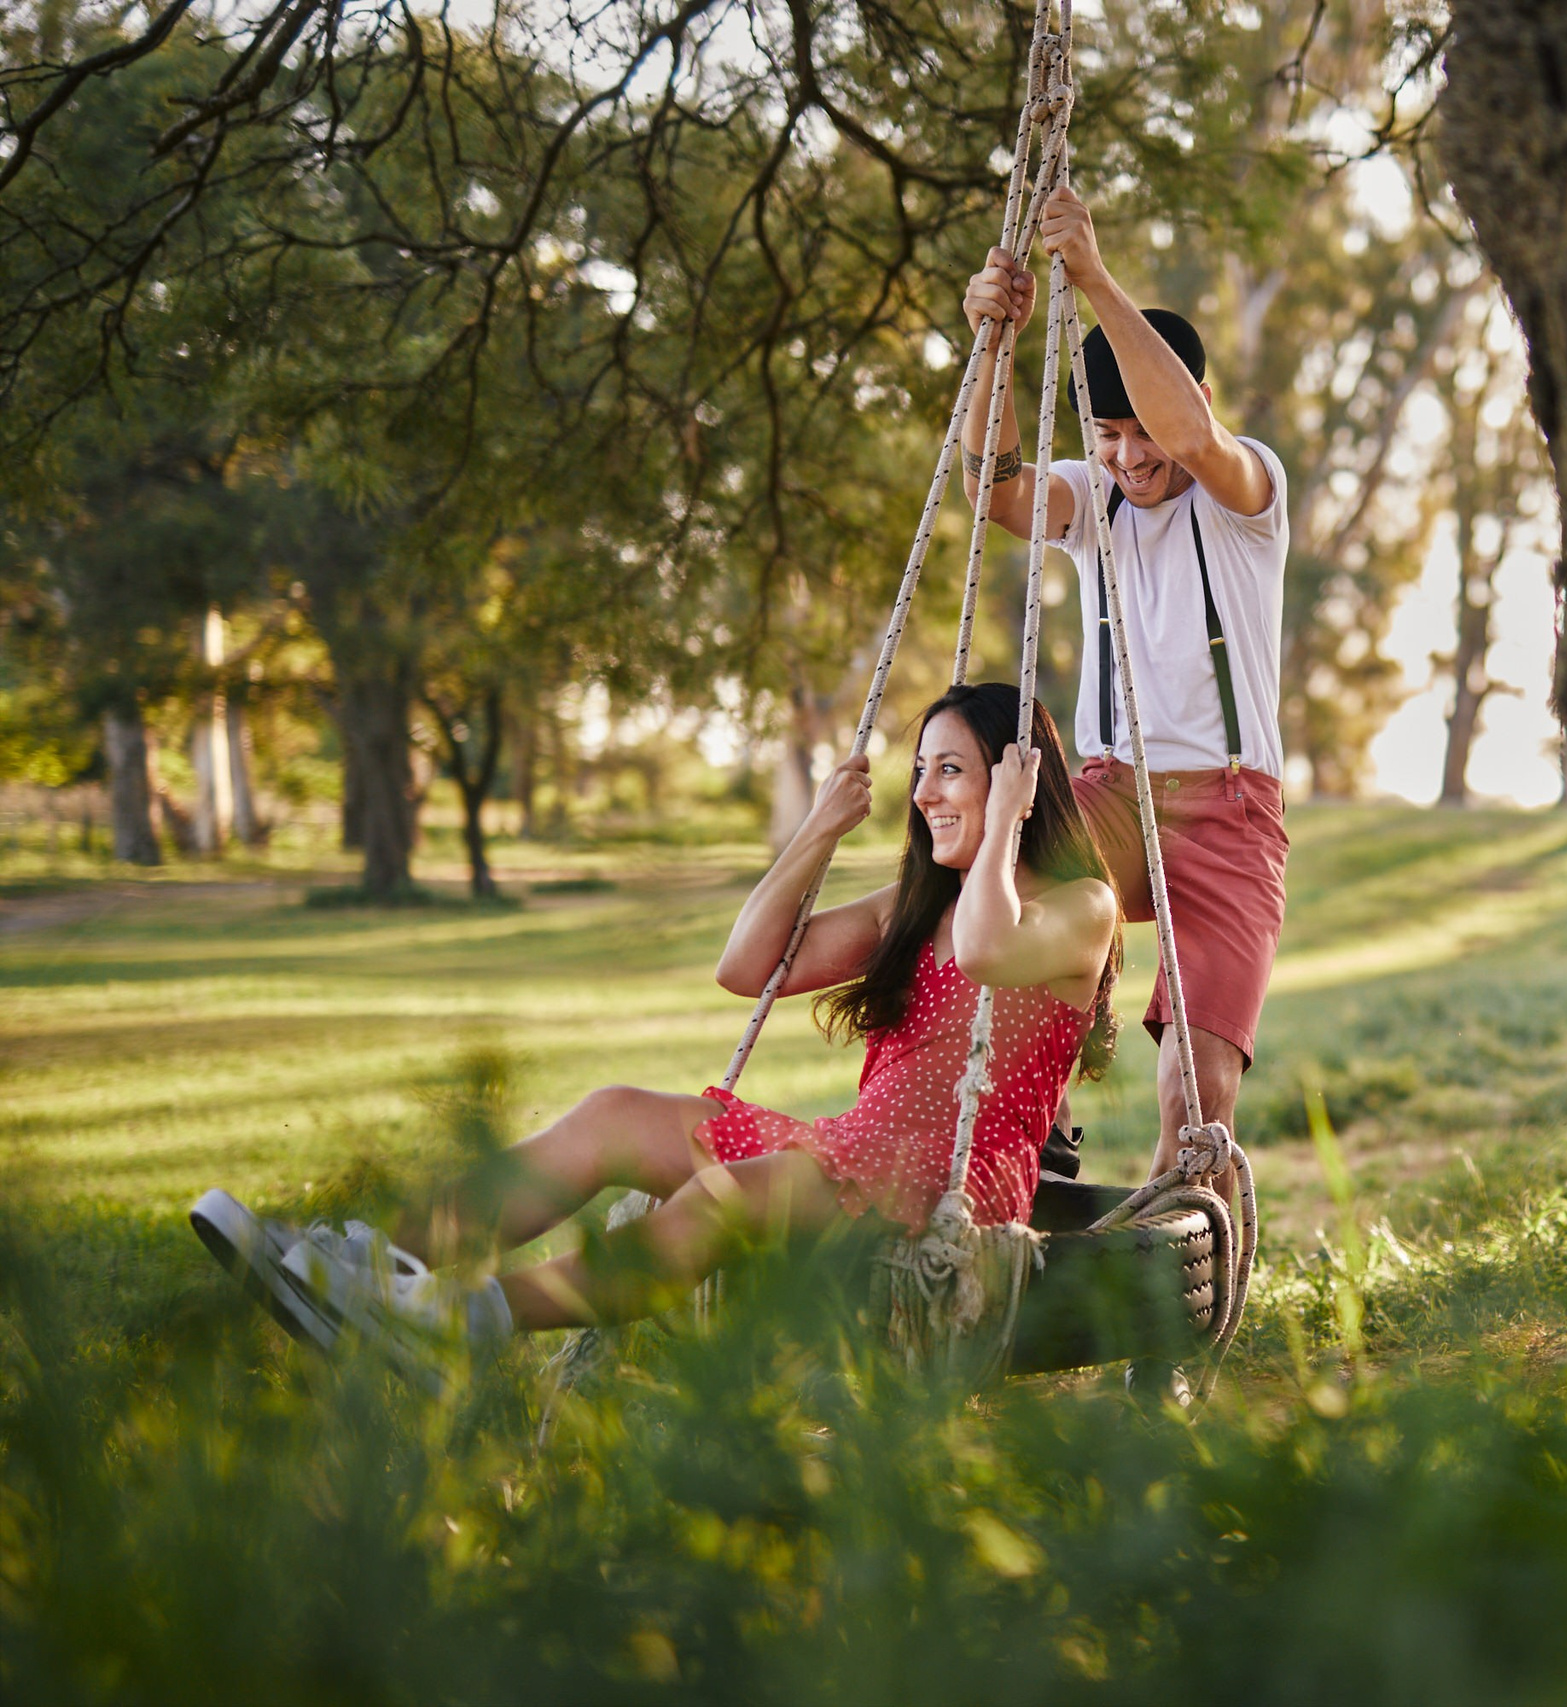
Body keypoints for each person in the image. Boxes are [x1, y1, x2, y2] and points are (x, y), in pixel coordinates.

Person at [191, 685, 1120, 1350]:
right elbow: (746, 965)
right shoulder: (914, 906)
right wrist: (817, 833)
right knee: (615, 1112)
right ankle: (369, 1265)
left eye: (949, 771)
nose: (922, 794)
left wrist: (1003, 824)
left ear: (1012, 781)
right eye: (920, 772)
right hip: (849, 1149)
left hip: (947, 1189)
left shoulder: (1082, 907)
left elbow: (989, 952)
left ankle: (458, 1319)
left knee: (732, 1193)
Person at [959, 181, 1290, 1190]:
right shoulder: (1093, 494)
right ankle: (1037, 1153)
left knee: (1198, 1090)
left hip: (1231, 810)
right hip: (1111, 788)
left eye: (1139, 428)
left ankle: (1178, 1275)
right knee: (1003, 917)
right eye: (1107, 434)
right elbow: (994, 488)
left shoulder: (1245, 490)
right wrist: (996, 344)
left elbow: (1191, 441)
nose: (1129, 455)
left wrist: (1092, 277)